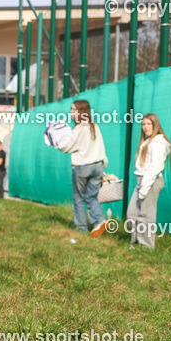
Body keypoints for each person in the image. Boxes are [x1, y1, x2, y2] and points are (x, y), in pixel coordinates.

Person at [58, 99, 108, 237]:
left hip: (82, 167)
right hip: (98, 166)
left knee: (79, 198)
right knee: (92, 197)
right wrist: (104, 164)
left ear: (81, 111)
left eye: (73, 110)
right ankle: (99, 220)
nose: (71, 112)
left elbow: (67, 147)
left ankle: (81, 228)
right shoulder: (94, 126)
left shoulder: (79, 129)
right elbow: (102, 146)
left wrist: (56, 142)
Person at [126, 113, 171, 249]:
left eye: (149, 124)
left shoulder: (158, 143)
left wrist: (144, 188)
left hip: (150, 182)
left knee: (146, 215)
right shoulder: (147, 141)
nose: (145, 127)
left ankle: (146, 246)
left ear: (155, 125)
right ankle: (136, 241)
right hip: (141, 181)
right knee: (132, 213)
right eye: (143, 124)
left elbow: (155, 167)